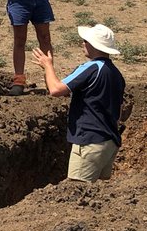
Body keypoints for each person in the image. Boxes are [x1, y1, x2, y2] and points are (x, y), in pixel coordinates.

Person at [32, 24, 130, 182]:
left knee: (77, 192)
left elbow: (56, 90)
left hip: (89, 143)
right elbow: (117, 111)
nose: (82, 44)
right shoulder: (116, 74)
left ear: (94, 45)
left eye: (85, 41)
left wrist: (47, 66)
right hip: (108, 142)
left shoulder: (91, 68)